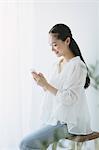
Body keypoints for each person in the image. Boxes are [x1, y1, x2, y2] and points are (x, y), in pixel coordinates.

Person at [19, 23, 93, 150]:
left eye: (55, 44)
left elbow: (69, 99)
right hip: (55, 117)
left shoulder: (78, 66)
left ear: (67, 41)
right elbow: (55, 93)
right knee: (30, 141)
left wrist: (46, 85)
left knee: (26, 144)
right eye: (51, 46)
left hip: (69, 123)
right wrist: (42, 84)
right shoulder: (57, 63)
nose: (52, 49)